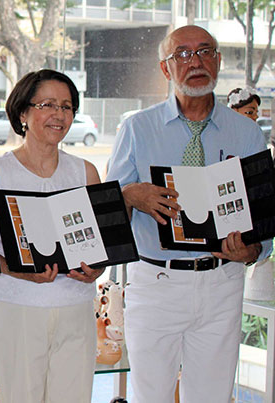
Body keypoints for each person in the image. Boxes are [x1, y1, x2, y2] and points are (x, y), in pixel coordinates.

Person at [106, 25, 271, 402]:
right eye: (182, 54)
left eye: (204, 51)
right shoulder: (137, 128)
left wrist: (252, 250)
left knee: (213, 396)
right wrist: (130, 194)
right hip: (156, 282)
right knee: (151, 395)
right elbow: (110, 218)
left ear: (218, 61)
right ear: (165, 68)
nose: (195, 61)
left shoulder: (247, 133)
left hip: (222, 282)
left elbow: (261, 217)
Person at [0, 69, 102, 403]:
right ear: (23, 113)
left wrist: (97, 269)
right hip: (18, 309)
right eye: (47, 105)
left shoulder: (85, 172)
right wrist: (18, 271)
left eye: (66, 106)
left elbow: (100, 245)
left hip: (76, 308)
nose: (59, 115)